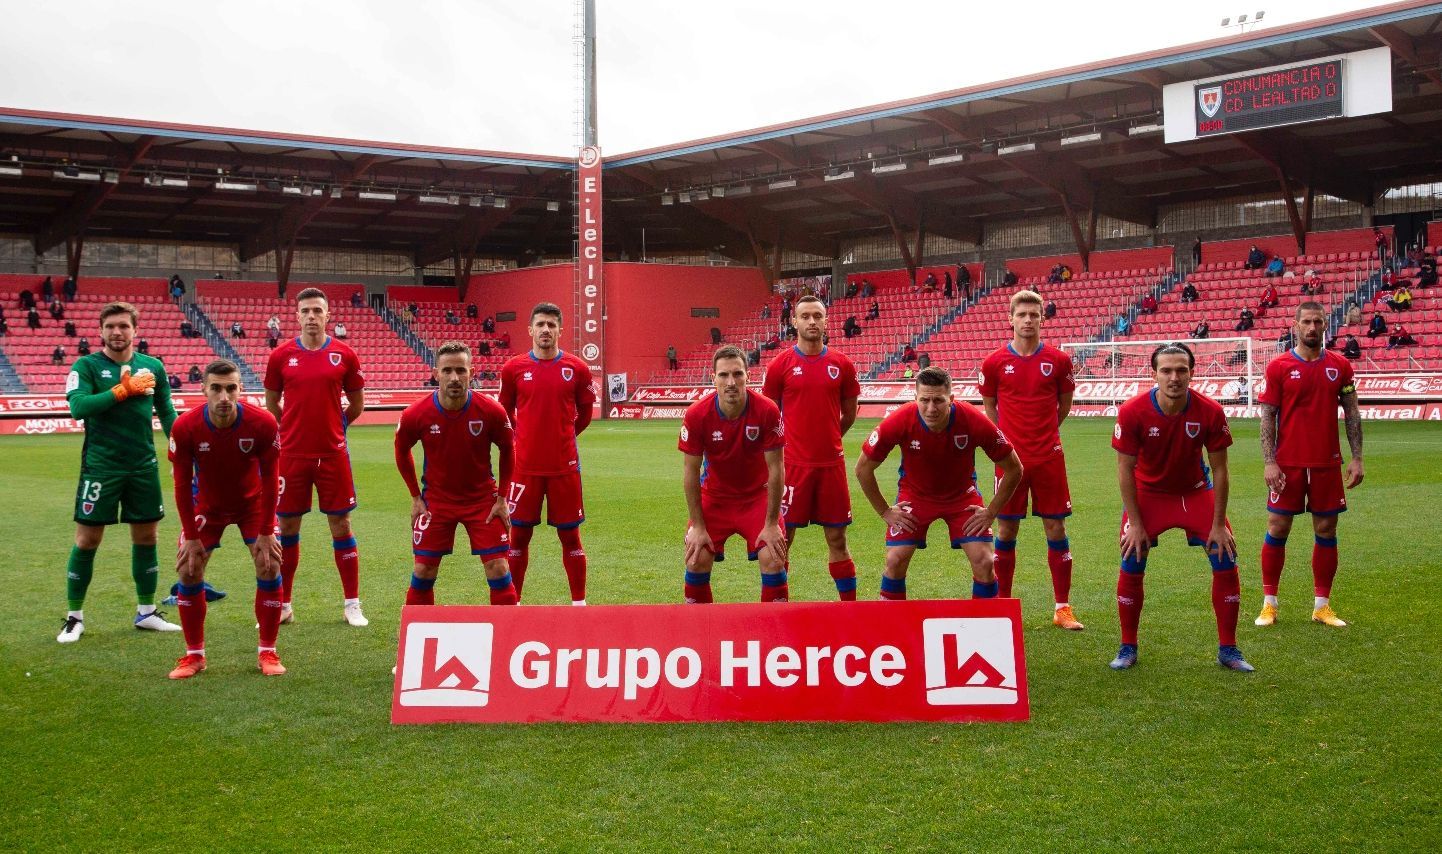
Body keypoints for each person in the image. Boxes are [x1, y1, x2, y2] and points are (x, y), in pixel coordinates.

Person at [1108, 343, 1252, 672]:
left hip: (1195, 493)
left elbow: (1220, 471)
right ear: (1154, 374)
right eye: (1167, 371)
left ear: (1192, 372)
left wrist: (1218, 525)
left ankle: (1228, 649)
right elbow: (1124, 471)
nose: (1174, 377)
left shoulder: (1210, 411)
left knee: (1225, 556)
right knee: (1132, 557)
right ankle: (1127, 645)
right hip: (1148, 494)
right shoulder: (1132, 412)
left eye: (1181, 370)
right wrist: (1136, 523)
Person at [57, 302, 180, 643]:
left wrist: (184, 447)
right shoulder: (87, 366)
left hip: (143, 466)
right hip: (101, 467)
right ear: (100, 331)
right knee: (87, 540)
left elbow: (167, 412)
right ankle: (74, 617)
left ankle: (147, 612)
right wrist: (123, 390)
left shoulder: (152, 367)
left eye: (123, 326)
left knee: (146, 538)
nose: (117, 332)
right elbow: (79, 407)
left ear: (134, 331)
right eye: (110, 326)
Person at [856, 366, 1022, 601]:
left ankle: (984, 631)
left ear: (951, 399)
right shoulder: (900, 419)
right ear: (915, 398)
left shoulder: (972, 419)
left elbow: (1015, 468)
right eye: (924, 400)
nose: (931, 408)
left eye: (938, 401)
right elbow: (863, 469)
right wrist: (884, 511)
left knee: (984, 562)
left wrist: (991, 512)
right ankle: (892, 630)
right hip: (915, 497)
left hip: (962, 498)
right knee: (895, 560)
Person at [164, 360, 284, 678]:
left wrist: (268, 529)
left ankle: (268, 652)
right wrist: (190, 536)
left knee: (270, 563)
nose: (224, 396)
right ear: (204, 389)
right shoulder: (185, 427)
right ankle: (194, 656)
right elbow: (179, 484)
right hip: (207, 506)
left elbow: (272, 479)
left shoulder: (262, 423)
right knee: (189, 570)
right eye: (216, 388)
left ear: (240, 389)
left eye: (231, 388)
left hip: (252, 505)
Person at [1256, 301, 1364, 630]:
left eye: (1318, 321)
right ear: (1296, 325)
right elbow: (1268, 416)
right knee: (1278, 528)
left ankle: (1322, 606)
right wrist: (1269, 461)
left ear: (1324, 325)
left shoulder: (1341, 366)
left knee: (1326, 530)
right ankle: (1269, 604)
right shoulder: (1278, 366)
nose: (1312, 327)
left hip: (1326, 462)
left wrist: (1357, 456)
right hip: (1287, 463)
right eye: (1307, 321)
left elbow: (1352, 412)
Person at [264, 288, 368, 627]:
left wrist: (336, 427)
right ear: (297, 315)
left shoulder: (344, 354)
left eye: (317, 311)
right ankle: (283, 605)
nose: (311, 316)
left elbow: (356, 404)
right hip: (292, 454)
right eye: (305, 310)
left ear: (327, 315)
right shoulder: (281, 355)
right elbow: (271, 402)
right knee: (288, 527)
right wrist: (292, 428)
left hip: (332, 454)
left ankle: (352, 604)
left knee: (341, 525)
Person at [979, 289, 1083, 629]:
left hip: (1049, 457)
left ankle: (1062, 608)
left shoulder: (1059, 361)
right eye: (1021, 314)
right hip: (1010, 461)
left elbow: (1063, 405)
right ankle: (1003, 606)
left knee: (1055, 527)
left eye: (1033, 315)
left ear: (1042, 319)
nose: (1027, 320)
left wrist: (1045, 434)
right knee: (1006, 530)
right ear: (1010, 318)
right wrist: (1006, 443)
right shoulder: (994, 362)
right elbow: (990, 408)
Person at [395, 342, 519, 609]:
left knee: (498, 568)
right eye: (447, 370)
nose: (454, 377)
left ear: (471, 372)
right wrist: (415, 496)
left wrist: (501, 498)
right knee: (423, 572)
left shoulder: (491, 411)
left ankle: (507, 640)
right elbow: (401, 449)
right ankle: (420, 642)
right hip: (436, 502)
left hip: (482, 501)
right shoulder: (416, 413)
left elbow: (509, 449)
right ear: (435, 373)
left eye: (461, 370)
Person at [762, 294, 862, 601]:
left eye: (817, 316)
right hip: (791, 467)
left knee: (837, 538)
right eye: (805, 316)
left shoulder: (842, 365)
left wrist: (830, 437)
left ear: (826, 321)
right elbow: (768, 415)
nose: (811, 322)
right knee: (782, 540)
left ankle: (850, 610)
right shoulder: (780, 365)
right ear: (794, 322)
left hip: (831, 466)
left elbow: (850, 412)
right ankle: (778, 608)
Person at [498, 302, 596, 605]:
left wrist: (562, 436)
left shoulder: (577, 368)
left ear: (560, 331)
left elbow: (585, 413)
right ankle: (513, 604)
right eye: (540, 324)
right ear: (530, 329)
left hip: (564, 468)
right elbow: (505, 411)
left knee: (570, 538)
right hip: (524, 468)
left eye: (552, 325)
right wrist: (523, 436)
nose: (545, 330)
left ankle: (579, 604)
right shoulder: (513, 368)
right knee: (518, 539)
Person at [678, 346, 788, 603]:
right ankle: (699, 635)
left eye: (737, 374)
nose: (731, 382)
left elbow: (776, 468)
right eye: (724, 375)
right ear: (713, 378)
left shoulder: (767, 410)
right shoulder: (696, 415)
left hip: (756, 498)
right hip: (715, 498)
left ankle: (774, 636)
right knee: (696, 560)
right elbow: (690, 472)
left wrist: (771, 524)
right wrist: (698, 525)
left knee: (773, 559)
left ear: (748, 376)